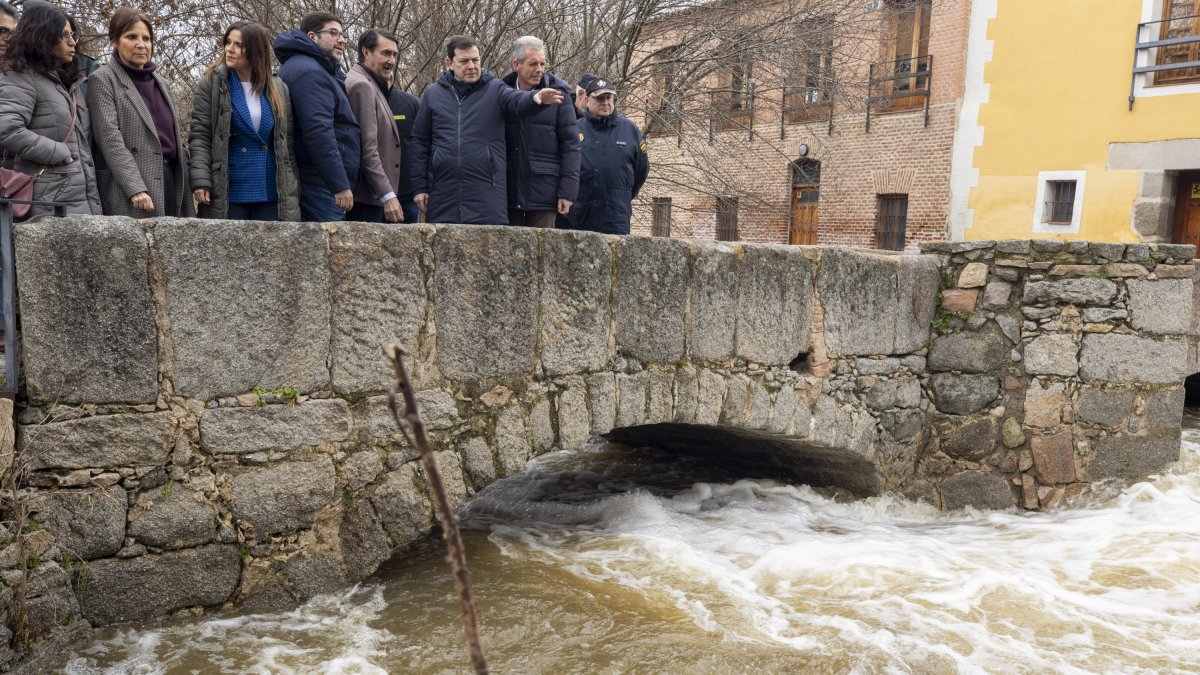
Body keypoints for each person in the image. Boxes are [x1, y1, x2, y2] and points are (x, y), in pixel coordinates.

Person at [409, 35, 564, 225]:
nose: (472, 66)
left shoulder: (495, 88)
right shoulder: (433, 94)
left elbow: (515, 100)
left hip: (487, 198)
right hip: (443, 197)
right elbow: (420, 141)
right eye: (464, 61)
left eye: (476, 60)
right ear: (449, 63)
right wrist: (419, 187)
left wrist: (534, 98)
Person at [87, 6, 193, 217]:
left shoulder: (161, 82)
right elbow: (110, 140)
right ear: (114, 41)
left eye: (146, 38)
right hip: (132, 188)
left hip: (171, 180)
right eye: (131, 37)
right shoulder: (103, 79)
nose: (141, 44)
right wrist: (135, 187)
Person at [189, 22, 300, 221]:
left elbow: (287, 145)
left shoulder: (278, 87)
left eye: (239, 45)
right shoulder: (212, 83)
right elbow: (200, 136)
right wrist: (200, 181)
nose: (229, 49)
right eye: (228, 42)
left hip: (271, 188)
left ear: (256, 50)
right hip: (229, 189)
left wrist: (292, 187)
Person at [0, 2, 100, 215]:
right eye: (64, 36)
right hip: (49, 202)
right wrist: (60, 152)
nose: (73, 42)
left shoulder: (64, 82)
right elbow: (7, 129)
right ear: (43, 37)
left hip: (78, 196)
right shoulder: (20, 76)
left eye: (72, 35)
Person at [273, 12, 360, 222]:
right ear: (312, 36)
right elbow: (318, 131)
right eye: (333, 33)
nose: (341, 40)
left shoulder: (318, 68)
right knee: (330, 252)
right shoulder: (309, 72)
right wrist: (338, 184)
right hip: (320, 184)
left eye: (342, 35)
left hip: (322, 181)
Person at [502, 36, 578, 228]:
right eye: (533, 64)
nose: (539, 70)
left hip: (545, 194)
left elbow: (570, 146)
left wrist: (567, 192)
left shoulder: (559, 96)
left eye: (542, 64)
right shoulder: (502, 94)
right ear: (516, 64)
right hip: (507, 192)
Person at [564, 77, 648, 235]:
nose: (605, 102)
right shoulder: (574, 129)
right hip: (579, 214)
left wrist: (621, 195)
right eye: (599, 98)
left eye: (608, 98)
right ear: (587, 100)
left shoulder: (630, 130)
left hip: (616, 215)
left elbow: (640, 172)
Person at [345, 29, 402, 223]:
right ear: (366, 52)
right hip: (368, 200)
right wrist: (387, 194)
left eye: (394, 54)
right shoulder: (362, 85)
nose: (391, 60)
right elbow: (367, 148)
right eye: (385, 53)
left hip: (373, 198)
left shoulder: (373, 83)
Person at [387, 75, 420, 223]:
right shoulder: (362, 98)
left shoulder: (411, 103)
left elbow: (424, 146)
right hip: (370, 198)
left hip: (407, 196)